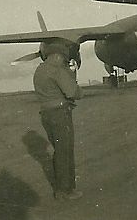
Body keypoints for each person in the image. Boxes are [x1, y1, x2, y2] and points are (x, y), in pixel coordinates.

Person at [33, 49, 84, 200]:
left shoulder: (40, 69)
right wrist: (76, 82)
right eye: (63, 57)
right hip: (60, 114)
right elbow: (73, 92)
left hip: (46, 114)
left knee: (59, 150)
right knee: (65, 151)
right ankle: (65, 191)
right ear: (58, 55)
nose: (64, 60)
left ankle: (62, 187)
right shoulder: (58, 70)